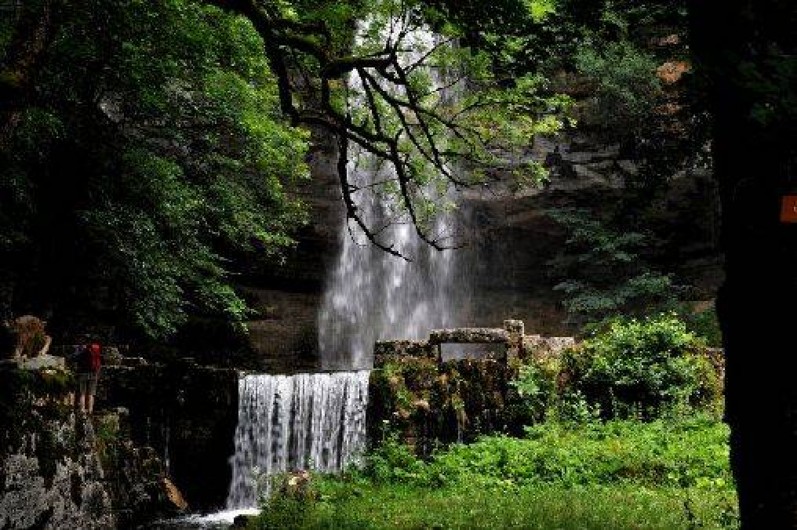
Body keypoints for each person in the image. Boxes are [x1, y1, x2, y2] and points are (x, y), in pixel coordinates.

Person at [73, 336, 102, 414]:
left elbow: (75, 358)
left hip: (83, 373)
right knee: (91, 394)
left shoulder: (82, 350)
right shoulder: (95, 349)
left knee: (82, 393)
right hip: (94, 373)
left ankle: (82, 410)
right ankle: (90, 410)